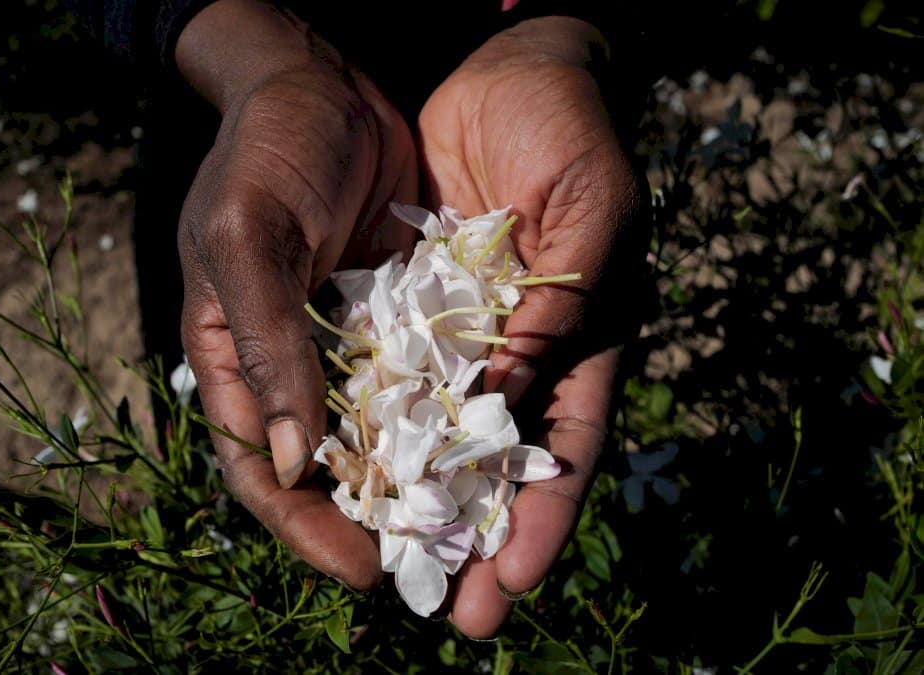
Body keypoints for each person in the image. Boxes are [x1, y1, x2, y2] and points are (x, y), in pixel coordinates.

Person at [82, 0, 647, 638]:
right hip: (241, 144)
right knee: (220, 460)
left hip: (482, 132)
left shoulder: (426, 305)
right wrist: (256, 56)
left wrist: (567, 23)